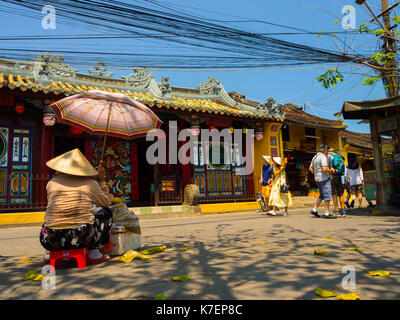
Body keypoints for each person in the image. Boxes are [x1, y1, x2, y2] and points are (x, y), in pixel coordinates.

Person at [39, 148, 114, 264]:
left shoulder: (52, 183)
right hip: (81, 237)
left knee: (50, 217)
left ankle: (49, 253)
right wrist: (102, 181)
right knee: (106, 212)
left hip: (49, 238)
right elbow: (105, 202)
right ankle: (94, 251)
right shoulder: (91, 184)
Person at [309, 144, 337, 218]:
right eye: (327, 150)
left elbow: (310, 168)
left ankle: (314, 209)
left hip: (317, 179)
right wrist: (331, 170)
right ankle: (327, 213)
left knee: (321, 195)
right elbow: (325, 169)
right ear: (324, 150)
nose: (328, 151)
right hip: (324, 178)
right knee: (327, 195)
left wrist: (317, 174)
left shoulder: (314, 157)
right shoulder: (323, 157)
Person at [328, 149, 346, 216]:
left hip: (333, 177)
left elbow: (327, 167)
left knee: (334, 194)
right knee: (341, 194)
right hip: (339, 177)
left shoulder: (329, 157)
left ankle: (336, 210)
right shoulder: (338, 157)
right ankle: (343, 210)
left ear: (329, 152)